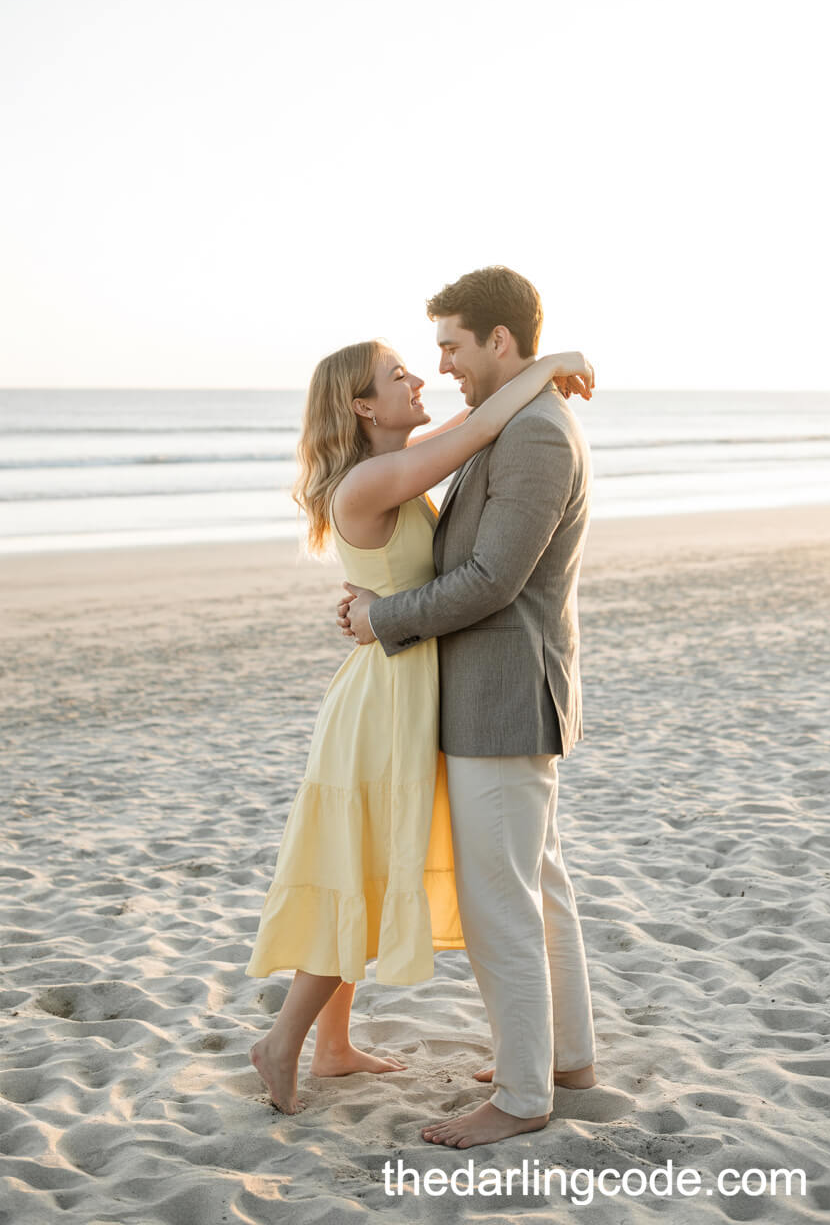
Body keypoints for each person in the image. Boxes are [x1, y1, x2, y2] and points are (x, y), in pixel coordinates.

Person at [245, 333, 594, 1115]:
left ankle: (332, 1048)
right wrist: (548, 366)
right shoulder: (373, 479)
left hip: (402, 686)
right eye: (396, 374)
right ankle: (282, 1044)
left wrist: (535, 378)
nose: (418, 377)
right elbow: (477, 429)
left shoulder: (397, 463)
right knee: (356, 873)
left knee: (359, 868)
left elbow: (476, 425)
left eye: (422, 361)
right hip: (382, 701)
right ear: (363, 406)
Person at [338, 266, 597, 1149]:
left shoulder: (534, 437)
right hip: (509, 696)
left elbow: (489, 583)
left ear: (498, 341)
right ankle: (566, 1060)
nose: (441, 363)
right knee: (540, 889)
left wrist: (381, 619)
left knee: (501, 903)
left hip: (503, 700)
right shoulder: (516, 420)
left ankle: (526, 1097)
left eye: (451, 345)